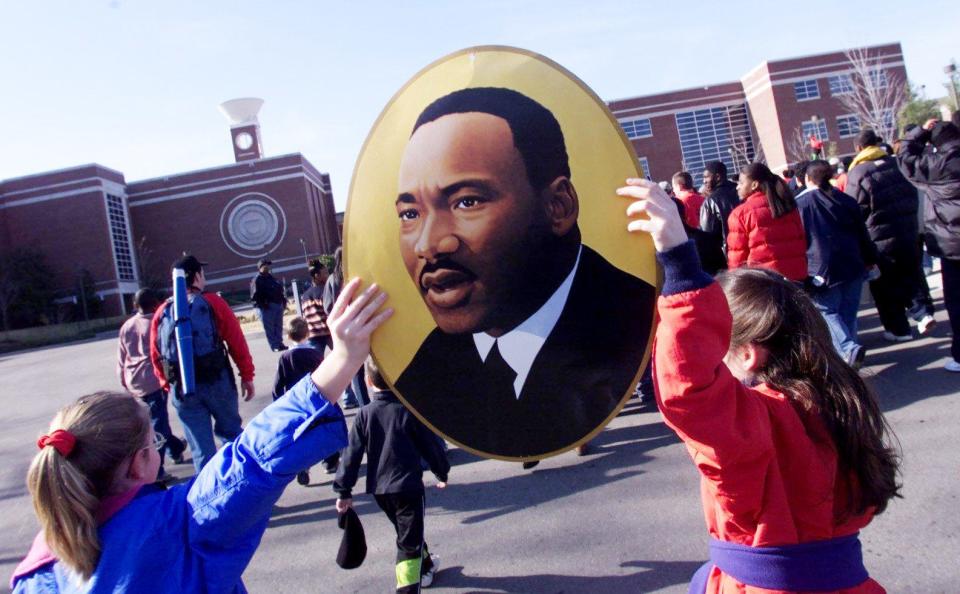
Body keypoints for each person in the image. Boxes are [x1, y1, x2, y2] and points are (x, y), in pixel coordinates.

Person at [11, 278, 392, 593]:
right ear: (139, 463)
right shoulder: (176, 526)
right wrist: (342, 359)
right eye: (151, 443)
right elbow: (250, 460)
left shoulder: (36, 571)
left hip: (181, 391)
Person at [616, 178, 900, 594]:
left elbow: (689, 391)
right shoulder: (839, 399)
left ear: (748, 354)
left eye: (720, 350)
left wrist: (679, 262)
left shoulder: (759, 422)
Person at [393, 86, 655, 459]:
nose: (428, 245)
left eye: (466, 202)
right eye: (410, 214)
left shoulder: (637, 320)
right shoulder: (425, 373)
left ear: (558, 206)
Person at [334, 356, 450, 593]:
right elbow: (431, 446)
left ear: (367, 381)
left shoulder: (364, 414)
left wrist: (343, 490)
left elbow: (351, 455)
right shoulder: (408, 411)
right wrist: (441, 471)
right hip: (408, 488)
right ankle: (407, 588)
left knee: (406, 531)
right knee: (408, 544)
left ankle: (426, 566)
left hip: (380, 490)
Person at [150, 255, 256, 472]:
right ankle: (243, 493)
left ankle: (209, 500)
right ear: (197, 276)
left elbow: (155, 354)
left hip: (182, 387)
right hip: (217, 381)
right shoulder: (213, 302)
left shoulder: (162, 312)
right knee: (232, 438)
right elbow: (236, 341)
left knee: (201, 450)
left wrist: (167, 383)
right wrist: (247, 375)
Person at [795, 160, 878, 367]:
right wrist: (869, 259)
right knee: (848, 313)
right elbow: (862, 233)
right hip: (852, 263)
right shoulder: (846, 200)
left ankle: (849, 350)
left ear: (807, 179)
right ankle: (850, 355)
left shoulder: (801, 205)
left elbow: (799, 239)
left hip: (821, 267)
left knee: (826, 311)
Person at [847, 128, 922, 342]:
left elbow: (856, 209)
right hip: (907, 230)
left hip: (878, 237)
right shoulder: (896, 164)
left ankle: (899, 329)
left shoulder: (858, 173)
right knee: (910, 275)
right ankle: (921, 312)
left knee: (884, 287)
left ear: (859, 148)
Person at [898, 119, 960, 370]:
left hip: (950, 244)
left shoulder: (935, 166)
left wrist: (919, 132)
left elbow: (904, 158)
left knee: (956, 301)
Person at [116, 288, 186, 480]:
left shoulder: (127, 326)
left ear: (135, 305)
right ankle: (157, 470)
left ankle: (175, 448)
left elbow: (122, 357)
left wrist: (123, 379)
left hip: (133, 380)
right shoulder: (156, 323)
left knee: (154, 420)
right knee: (157, 425)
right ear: (155, 303)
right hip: (153, 380)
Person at [272, 317, 338, 482]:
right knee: (322, 431)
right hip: (315, 401)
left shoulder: (285, 358)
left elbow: (278, 383)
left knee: (302, 436)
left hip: (295, 404)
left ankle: (303, 466)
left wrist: (278, 402)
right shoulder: (314, 354)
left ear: (288, 336)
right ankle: (330, 461)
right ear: (307, 334)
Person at [725, 162, 807, 282]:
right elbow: (801, 241)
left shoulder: (740, 214)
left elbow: (737, 258)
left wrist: (734, 284)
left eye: (741, 183)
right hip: (797, 279)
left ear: (754, 184)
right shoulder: (788, 205)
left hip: (763, 284)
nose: (737, 187)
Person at [325, 246, 369, 408]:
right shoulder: (358, 275)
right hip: (364, 323)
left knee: (353, 368)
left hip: (346, 327)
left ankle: (362, 403)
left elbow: (328, 305)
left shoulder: (332, 279)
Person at [698, 160, 740, 273]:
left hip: (728, 258)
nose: (704, 181)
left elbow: (706, 235)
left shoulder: (711, 201)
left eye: (706, 177)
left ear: (717, 177)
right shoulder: (741, 191)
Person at [250, 259, 288, 351]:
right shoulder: (257, 280)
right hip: (266, 308)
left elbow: (279, 290)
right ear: (260, 267)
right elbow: (254, 296)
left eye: (268, 265)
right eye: (265, 265)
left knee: (278, 326)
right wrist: (263, 305)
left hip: (278, 304)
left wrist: (283, 301)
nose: (267, 267)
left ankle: (280, 343)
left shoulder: (271, 277)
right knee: (270, 328)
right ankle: (274, 346)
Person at [301, 259, 332, 351]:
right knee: (343, 355)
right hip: (328, 331)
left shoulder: (305, 295)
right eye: (325, 273)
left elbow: (305, 316)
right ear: (317, 276)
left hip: (313, 333)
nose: (328, 275)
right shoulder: (325, 291)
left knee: (314, 360)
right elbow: (330, 310)